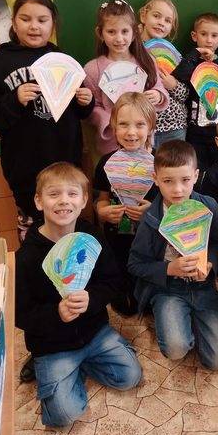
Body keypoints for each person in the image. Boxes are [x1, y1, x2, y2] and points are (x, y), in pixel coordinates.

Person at [15, 162, 142, 427]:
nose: (64, 201)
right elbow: (21, 313)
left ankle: (80, 365)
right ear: (38, 201)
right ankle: (57, 370)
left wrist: (92, 299)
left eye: (72, 194)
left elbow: (112, 281)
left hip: (94, 333)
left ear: (84, 200)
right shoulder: (26, 256)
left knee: (130, 377)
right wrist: (56, 314)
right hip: (52, 344)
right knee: (63, 415)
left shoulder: (91, 235)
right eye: (54, 194)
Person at [0, 0, 94, 240]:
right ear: (13, 22)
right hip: (24, 167)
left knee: (67, 226)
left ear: (53, 24)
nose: (34, 26)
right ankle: (34, 263)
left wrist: (86, 101)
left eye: (42, 20)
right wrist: (14, 100)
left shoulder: (63, 60)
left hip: (65, 162)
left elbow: (80, 111)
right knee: (33, 232)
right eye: (25, 19)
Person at [128, 140, 218, 369]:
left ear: (195, 176)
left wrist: (210, 264)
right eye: (168, 181)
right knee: (176, 349)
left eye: (185, 180)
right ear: (155, 179)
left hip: (203, 286)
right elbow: (135, 264)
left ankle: (194, 321)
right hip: (167, 289)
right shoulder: (151, 218)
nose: (177, 189)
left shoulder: (209, 206)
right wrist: (168, 269)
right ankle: (178, 320)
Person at [93, 92, 158, 315]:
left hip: (151, 243)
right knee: (125, 304)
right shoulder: (106, 163)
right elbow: (101, 200)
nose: (131, 132)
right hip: (117, 241)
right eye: (123, 124)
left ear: (151, 127)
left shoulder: (160, 162)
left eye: (139, 124)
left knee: (149, 298)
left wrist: (152, 213)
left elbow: (173, 205)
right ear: (113, 126)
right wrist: (102, 211)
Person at [84, 0, 168, 155]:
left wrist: (158, 95)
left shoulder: (146, 61)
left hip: (143, 141)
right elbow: (92, 107)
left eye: (125, 31)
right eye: (111, 32)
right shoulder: (92, 70)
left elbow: (158, 87)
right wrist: (111, 120)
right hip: (111, 145)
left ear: (134, 32)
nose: (119, 38)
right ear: (100, 33)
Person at [172, 13, 218, 173]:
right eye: (204, 34)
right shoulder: (191, 62)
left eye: (214, 35)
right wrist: (195, 53)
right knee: (197, 171)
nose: (209, 40)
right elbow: (179, 75)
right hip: (195, 133)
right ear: (194, 36)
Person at [139, 0, 188, 148]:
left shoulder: (173, 54)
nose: (161, 23)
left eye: (167, 21)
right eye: (156, 16)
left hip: (174, 126)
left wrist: (173, 85)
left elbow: (186, 94)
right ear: (143, 16)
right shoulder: (132, 50)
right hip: (143, 127)